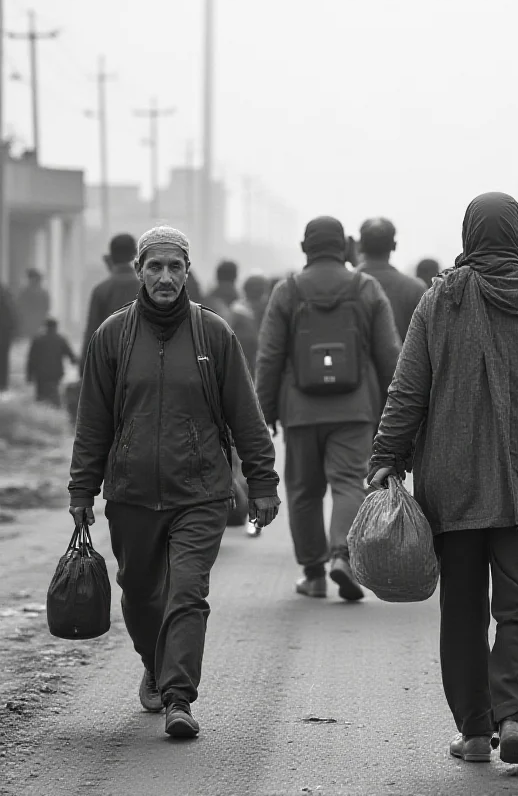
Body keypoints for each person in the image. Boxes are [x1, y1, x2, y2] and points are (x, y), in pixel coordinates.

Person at [368, 193, 518, 766]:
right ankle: (514, 713)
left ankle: (475, 733)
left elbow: (408, 388)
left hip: (453, 483)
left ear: (470, 234)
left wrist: (387, 454)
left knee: (463, 610)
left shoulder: (441, 298)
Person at [68, 226, 281, 739]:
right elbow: (93, 421)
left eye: (175, 267)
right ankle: (155, 662)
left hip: (201, 491)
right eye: (155, 267)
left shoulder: (214, 334)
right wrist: (82, 490)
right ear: (140, 271)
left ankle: (179, 697)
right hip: (131, 493)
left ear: (188, 272)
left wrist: (263, 481)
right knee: (140, 595)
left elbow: (245, 416)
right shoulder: (112, 337)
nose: (165, 277)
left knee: (187, 592)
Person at [256, 216, 400, 600]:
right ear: (345, 247)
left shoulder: (287, 291)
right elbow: (390, 355)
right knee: (349, 482)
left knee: (303, 490)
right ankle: (343, 555)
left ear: (305, 248)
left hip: (300, 411)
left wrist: (263, 412)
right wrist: (397, 413)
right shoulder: (365, 287)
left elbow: (269, 357)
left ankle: (314, 573)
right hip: (355, 409)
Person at [357, 218, 427, 341]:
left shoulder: (346, 286)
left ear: (360, 246)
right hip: (400, 359)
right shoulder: (415, 288)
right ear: (394, 246)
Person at [80, 234, 141, 372]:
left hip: (109, 369)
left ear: (111, 256)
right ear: (135, 254)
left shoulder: (101, 290)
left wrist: (84, 369)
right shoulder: (147, 289)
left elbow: (92, 333)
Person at [26, 317, 77, 406]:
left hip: (41, 374)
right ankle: (54, 409)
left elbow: (31, 359)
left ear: (45, 326)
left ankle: (42, 413)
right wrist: (77, 363)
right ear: (56, 327)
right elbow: (71, 355)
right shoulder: (60, 340)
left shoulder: (38, 340)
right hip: (55, 373)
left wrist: (29, 375)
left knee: (41, 397)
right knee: (54, 395)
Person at [17, 269, 50, 340]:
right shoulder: (25, 292)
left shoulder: (42, 293)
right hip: (28, 324)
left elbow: (46, 308)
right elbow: (20, 307)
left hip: (35, 324)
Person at [0, 282, 17, 392]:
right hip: (5, 337)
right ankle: (3, 384)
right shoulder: (8, 303)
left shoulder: (7, 304)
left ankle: (3, 384)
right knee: (3, 361)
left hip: (4, 336)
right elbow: (13, 320)